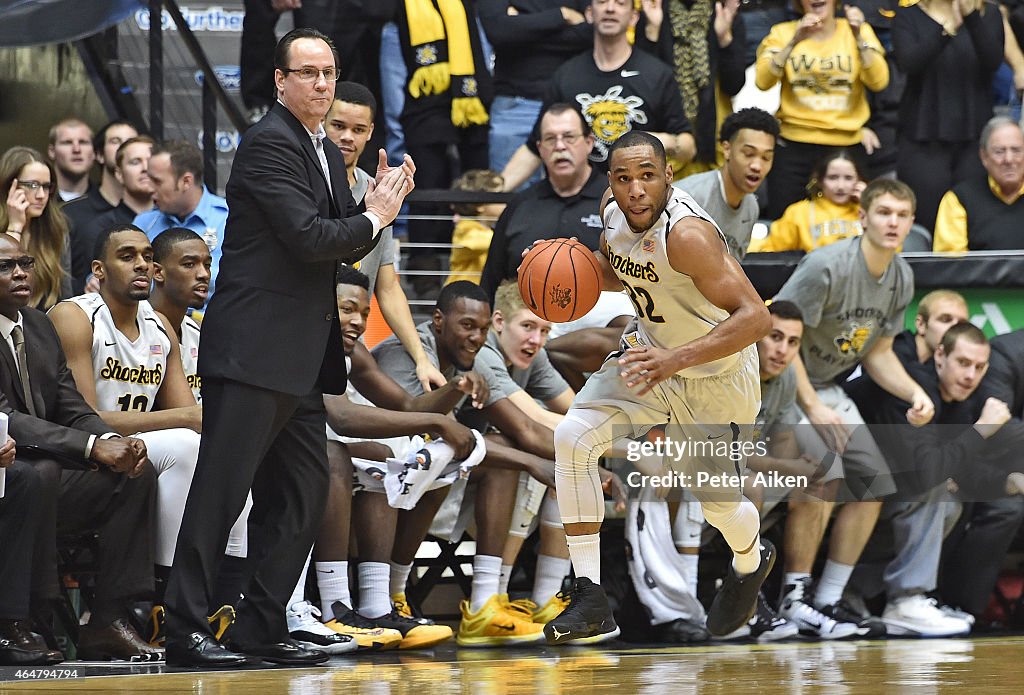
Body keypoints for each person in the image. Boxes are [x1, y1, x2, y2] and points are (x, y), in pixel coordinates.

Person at [163, 27, 414, 668]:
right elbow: (308, 238)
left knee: (302, 494)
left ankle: (259, 624)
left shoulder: (325, 152)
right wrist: (375, 215)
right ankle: (186, 629)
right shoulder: (268, 144)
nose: (323, 85)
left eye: (329, 73)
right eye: (308, 73)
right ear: (280, 80)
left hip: (300, 357)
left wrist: (375, 206)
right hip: (252, 350)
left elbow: (344, 244)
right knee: (222, 493)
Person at [545, 131, 772, 644]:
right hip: (649, 358)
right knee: (573, 437)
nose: (636, 189)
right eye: (624, 178)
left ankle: (751, 561)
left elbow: (756, 318)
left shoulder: (688, 235)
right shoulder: (610, 216)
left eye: (648, 175)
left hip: (716, 376)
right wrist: (569, 270)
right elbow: (623, 272)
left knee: (717, 505)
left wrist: (676, 359)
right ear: (610, 184)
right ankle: (590, 596)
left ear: (668, 176)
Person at [772, 178, 933, 637]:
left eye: (901, 215)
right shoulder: (826, 267)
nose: (893, 222)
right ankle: (794, 597)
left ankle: (828, 599)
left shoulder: (901, 275)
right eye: (884, 212)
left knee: (872, 483)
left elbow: (878, 355)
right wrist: (813, 407)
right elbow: (779, 336)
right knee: (822, 474)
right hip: (782, 379)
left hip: (826, 386)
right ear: (862, 216)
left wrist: (913, 394)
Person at [0, 232, 159, 662]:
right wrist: (90, 446)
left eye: (25, 263)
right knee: (35, 476)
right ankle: (14, 622)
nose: (19, 273)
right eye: (5, 266)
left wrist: (112, 442)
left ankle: (108, 618)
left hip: (40, 471)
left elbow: (69, 402)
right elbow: (6, 418)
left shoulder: (36, 323)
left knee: (134, 475)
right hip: (8, 472)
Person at [324, 83, 446, 390]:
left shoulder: (376, 191)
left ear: (370, 132)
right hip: (307, 339)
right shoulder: (306, 183)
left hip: (353, 347)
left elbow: (389, 288)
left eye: (358, 129)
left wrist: (422, 359)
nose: (347, 137)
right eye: (338, 125)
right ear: (322, 123)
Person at [500, 0, 696, 190]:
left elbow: (688, 145)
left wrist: (659, 142)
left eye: (620, 3)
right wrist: (495, 190)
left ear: (633, 17)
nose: (610, 8)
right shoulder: (565, 76)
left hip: (639, 199)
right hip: (580, 199)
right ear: (589, 14)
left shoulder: (656, 74)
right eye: (602, 2)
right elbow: (535, 147)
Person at [755, 0, 888, 219]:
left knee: (850, 221)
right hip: (794, 143)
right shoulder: (783, 32)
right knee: (786, 221)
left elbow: (879, 81)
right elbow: (762, 81)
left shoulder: (858, 29)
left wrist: (858, 38)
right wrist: (794, 42)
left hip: (845, 145)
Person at [893, 0, 1004, 232]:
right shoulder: (908, 17)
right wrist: (948, 28)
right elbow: (909, 63)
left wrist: (971, 18)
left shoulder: (989, 13)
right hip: (923, 137)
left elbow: (992, 60)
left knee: (974, 221)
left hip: (974, 137)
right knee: (926, 222)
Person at [480, 103, 607, 299]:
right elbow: (491, 283)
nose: (560, 146)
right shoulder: (519, 205)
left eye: (569, 137)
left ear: (589, 142)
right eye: (550, 139)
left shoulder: (614, 201)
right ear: (539, 148)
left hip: (602, 321)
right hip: (529, 320)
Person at [478, 0, 592, 178]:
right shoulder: (563, 15)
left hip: (568, 108)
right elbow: (499, 31)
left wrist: (523, 26)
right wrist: (561, 15)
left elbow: (591, 34)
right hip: (515, 107)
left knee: (571, 193)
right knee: (505, 197)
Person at [636, 0, 748, 176]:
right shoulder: (655, 12)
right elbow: (643, 87)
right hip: (668, 144)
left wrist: (724, 38)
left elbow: (733, 85)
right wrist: (652, 33)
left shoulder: (724, 12)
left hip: (712, 143)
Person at [132, 141, 228, 309]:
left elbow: (235, 284)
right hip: (151, 328)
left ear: (185, 181)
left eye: (157, 181)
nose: (149, 189)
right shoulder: (144, 224)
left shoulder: (227, 220)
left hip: (212, 327)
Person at [676, 106, 780, 260]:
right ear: (727, 150)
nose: (757, 166)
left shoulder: (751, 207)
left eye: (766, 158)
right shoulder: (689, 198)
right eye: (749, 154)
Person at [63, 120, 140, 293]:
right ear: (98, 154)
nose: (125, 147)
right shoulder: (70, 213)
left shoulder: (154, 215)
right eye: (116, 141)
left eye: (131, 141)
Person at [933, 117, 1024, 252]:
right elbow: (950, 266)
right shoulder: (959, 199)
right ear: (984, 157)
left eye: (1016, 150)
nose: (1009, 160)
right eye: (999, 152)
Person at [79, 136, 157, 292]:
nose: (145, 168)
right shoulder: (100, 228)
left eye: (150, 161)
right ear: (119, 174)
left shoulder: (174, 219)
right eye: (135, 162)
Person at [750, 150, 866, 253]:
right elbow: (770, 253)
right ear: (820, 181)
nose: (841, 186)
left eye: (848, 178)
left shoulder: (869, 210)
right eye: (833, 177)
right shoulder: (799, 213)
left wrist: (868, 204)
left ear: (859, 180)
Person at [1, 147, 72, 310]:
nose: (41, 195)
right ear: (9, 187)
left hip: (43, 325)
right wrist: (15, 228)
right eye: (32, 185)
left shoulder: (56, 229)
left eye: (46, 186)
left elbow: (66, 297)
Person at [447, 169, 506, 285]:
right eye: (499, 196)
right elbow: (481, 242)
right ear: (480, 205)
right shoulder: (464, 227)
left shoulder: (488, 230)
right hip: (461, 293)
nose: (505, 201)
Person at [46, 118, 96, 202]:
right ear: (52, 151)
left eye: (83, 142)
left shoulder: (107, 203)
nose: (76, 149)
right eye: (67, 143)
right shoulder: (39, 200)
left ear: (94, 152)